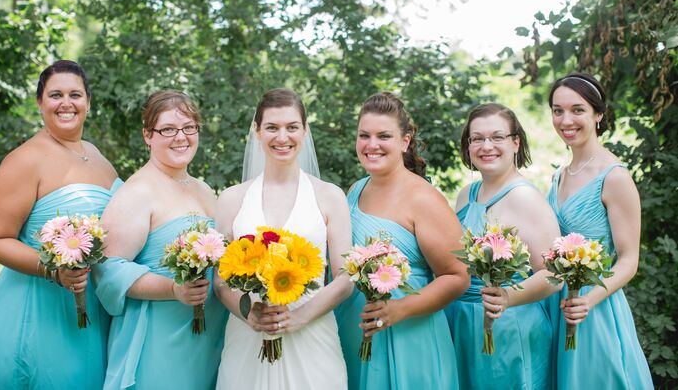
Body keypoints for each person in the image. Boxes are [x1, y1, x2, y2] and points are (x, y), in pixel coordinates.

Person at [0, 60, 120, 389]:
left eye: (75, 94)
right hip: (39, 308)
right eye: (55, 95)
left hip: (91, 304)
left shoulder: (96, 156)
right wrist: (54, 270)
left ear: (88, 103)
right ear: (40, 102)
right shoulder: (25, 159)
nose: (66, 103)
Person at [214, 88, 351, 390]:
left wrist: (299, 317)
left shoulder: (330, 196)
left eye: (292, 127)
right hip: (248, 337)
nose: (282, 137)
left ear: (305, 131)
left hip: (312, 335)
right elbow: (221, 281)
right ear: (257, 131)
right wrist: (248, 314)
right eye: (272, 127)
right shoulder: (231, 199)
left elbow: (345, 278)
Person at [93, 90, 227, 390]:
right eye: (168, 129)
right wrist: (173, 288)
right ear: (147, 135)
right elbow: (107, 270)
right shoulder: (138, 191)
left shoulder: (202, 188)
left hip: (208, 341)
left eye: (189, 127)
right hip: (160, 339)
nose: (181, 137)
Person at [335, 92, 468, 389]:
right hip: (356, 328)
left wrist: (400, 308)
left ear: (404, 141)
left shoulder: (423, 198)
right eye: (364, 135)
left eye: (384, 136)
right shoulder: (355, 190)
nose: (372, 145)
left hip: (409, 334)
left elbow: (458, 275)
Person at [546, 72, 653, 389]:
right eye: (557, 110)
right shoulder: (560, 174)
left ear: (599, 114)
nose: (566, 120)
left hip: (596, 306)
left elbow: (629, 260)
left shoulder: (614, 176)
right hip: (559, 303)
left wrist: (588, 301)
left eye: (578, 110)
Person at [444, 102, 560, 389]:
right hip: (462, 322)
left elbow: (554, 274)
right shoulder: (466, 195)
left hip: (508, 326)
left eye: (497, 137)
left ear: (515, 142)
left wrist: (508, 296)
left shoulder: (525, 198)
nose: (487, 146)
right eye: (478, 138)